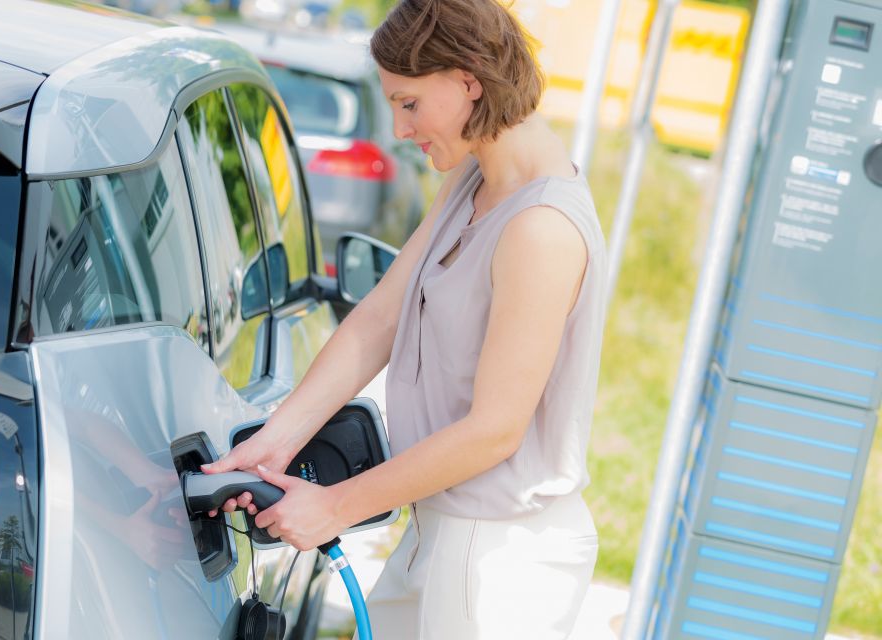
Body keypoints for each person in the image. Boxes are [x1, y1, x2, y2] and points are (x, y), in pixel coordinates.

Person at [201, 0, 608, 636]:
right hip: (444, 533)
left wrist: (334, 508)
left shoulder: (541, 228)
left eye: (409, 103)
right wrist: (273, 445)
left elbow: (494, 430)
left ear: (469, 81)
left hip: (499, 562)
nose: (398, 127)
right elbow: (378, 321)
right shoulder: (473, 181)